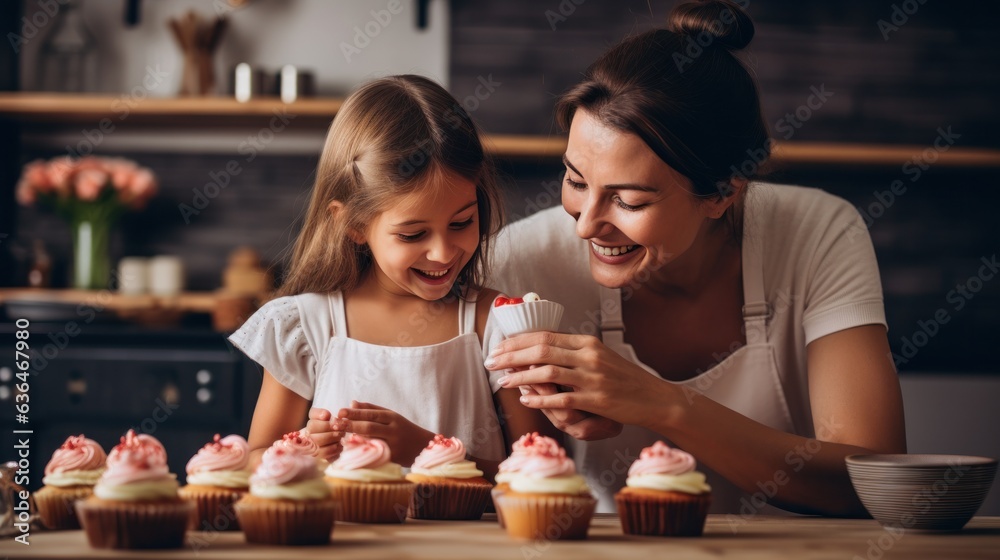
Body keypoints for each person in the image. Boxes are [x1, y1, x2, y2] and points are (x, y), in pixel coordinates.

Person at [483, 0, 906, 516]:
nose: (586, 223)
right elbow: (490, 476)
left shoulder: (818, 234)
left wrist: (661, 403)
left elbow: (877, 480)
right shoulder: (521, 261)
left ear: (722, 194)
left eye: (630, 200)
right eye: (575, 180)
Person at [229, 75, 556, 478]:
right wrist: (301, 450)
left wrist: (428, 449)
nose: (442, 252)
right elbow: (251, 462)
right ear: (353, 224)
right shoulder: (306, 326)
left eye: (462, 222)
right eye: (413, 234)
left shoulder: (498, 323)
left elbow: (540, 471)